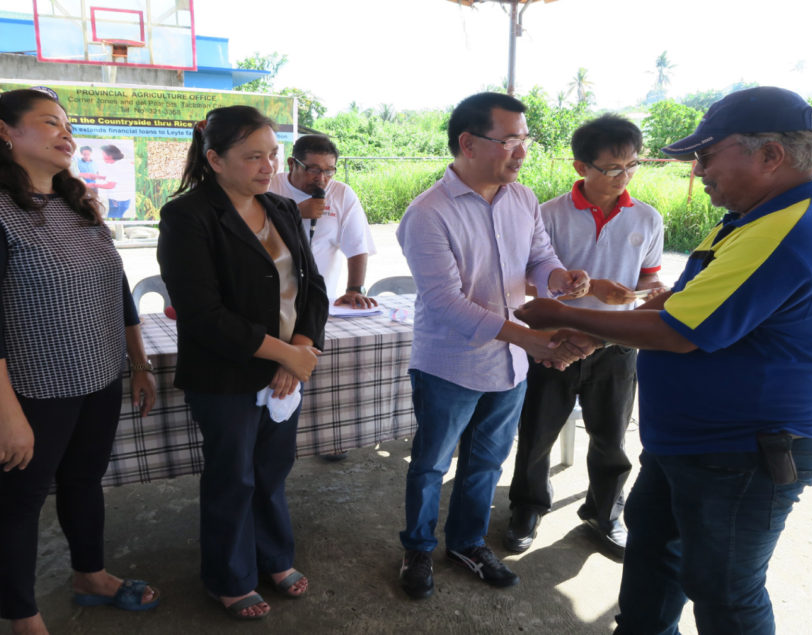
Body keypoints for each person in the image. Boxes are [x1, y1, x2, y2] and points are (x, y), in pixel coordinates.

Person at [514, 86, 812, 634]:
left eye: (706, 155)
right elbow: (687, 304)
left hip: (743, 451)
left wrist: (568, 317)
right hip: (694, 446)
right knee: (655, 556)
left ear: (769, 155)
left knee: (724, 593)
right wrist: (600, 337)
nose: (698, 170)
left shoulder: (787, 229)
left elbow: (677, 329)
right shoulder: (754, 217)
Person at [0, 87, 160, 635]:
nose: (67, 134)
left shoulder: (72, 201)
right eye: (49, 123)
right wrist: (7, 415)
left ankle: (91, 576)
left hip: (100, 376)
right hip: (33, 389)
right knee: (22, 498)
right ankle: (23, 617)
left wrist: (138, 362)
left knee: (85, 482)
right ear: (6, 131)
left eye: (68, 125)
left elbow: (117, 287)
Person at [396, 91, 596, 600]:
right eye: (510, 140)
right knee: (431, 465)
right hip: (449, 364)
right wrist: (530, 339)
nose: (522, 152)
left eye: (524, 140)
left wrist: (560, 278)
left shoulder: (522, 199)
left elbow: (538, 260)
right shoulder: (428, 213)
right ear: (467, 143)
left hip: (508, 365)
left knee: (486, 462)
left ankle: (466, 542)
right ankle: (417, 548)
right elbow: (445, 303)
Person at [157, 106, 328, 620]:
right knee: (234, 475)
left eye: (272, 155)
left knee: (272, 469)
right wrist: (289, 355)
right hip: (225, 373)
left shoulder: (279, 207)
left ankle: (273, 557)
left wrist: (299, 350)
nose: (267, 166)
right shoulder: (187, 216)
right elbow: (203, 314)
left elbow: (312, 288)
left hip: (286, 366)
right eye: (253, 156)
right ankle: (228, 577)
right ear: (214, 158)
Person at [504, 115, 667, 561]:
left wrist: (652, 294)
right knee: (537, 430)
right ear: (582, 167)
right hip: (554, 343)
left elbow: (649, 283)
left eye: (632, 165)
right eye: (612, 168)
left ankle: (603, 511)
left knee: (611, 436)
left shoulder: (648, 219)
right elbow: (527, 284)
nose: (623, 176)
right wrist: (587, 289)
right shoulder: (550, 215)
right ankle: (527, 506)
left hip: (616, 345)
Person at [268, 134, 378, 307]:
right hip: (271, 298)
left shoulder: (342, 194)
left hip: (319, 300)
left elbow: (357, 247)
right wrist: (295, 213)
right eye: (313, 169)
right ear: (292, 164)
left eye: (329, 171)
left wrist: (354, 290)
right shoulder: (269, 187)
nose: (321, 178)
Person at [93, 144, 134, 219]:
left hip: (117, 200)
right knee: (118, 218)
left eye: (103, 155)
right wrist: (98, 177)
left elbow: (111, 185)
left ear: (110, 156)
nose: (102, 158)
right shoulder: (123, 163)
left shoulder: (115, 167)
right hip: (126, 199)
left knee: (113, 220)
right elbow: (117, 178)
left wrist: (93, 185)